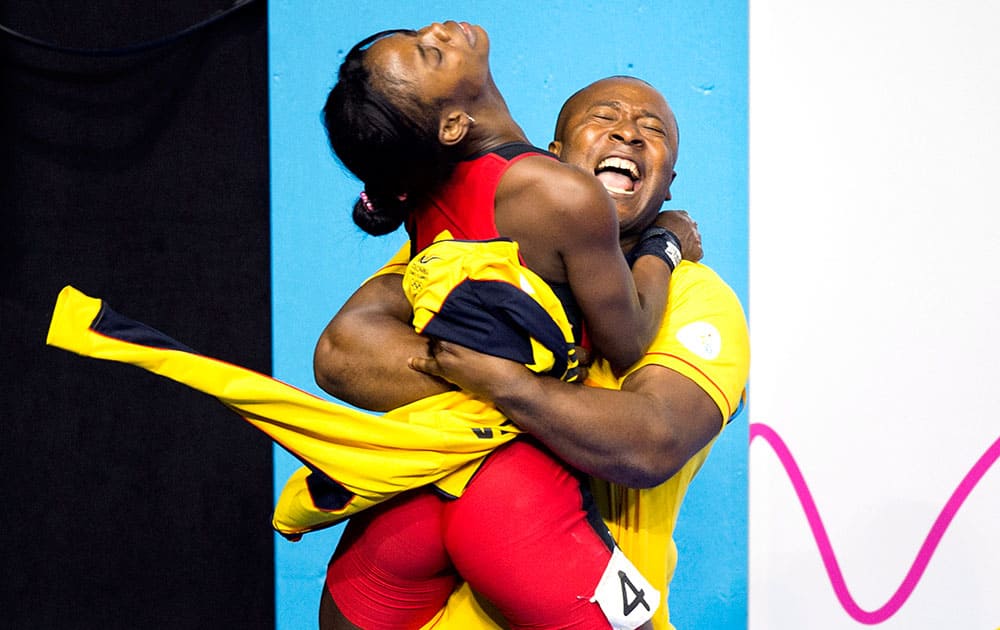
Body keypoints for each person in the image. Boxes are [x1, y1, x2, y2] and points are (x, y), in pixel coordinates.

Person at [309, 76, 749, 629]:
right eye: (604, 117)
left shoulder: (697, 298)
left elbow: (651, 442)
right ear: (553, 160)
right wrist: (536, 391)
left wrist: (507, 382)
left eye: (652, 130)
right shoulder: (479, 250)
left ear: (667, 189)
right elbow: (343, 350)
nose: (629, 135)